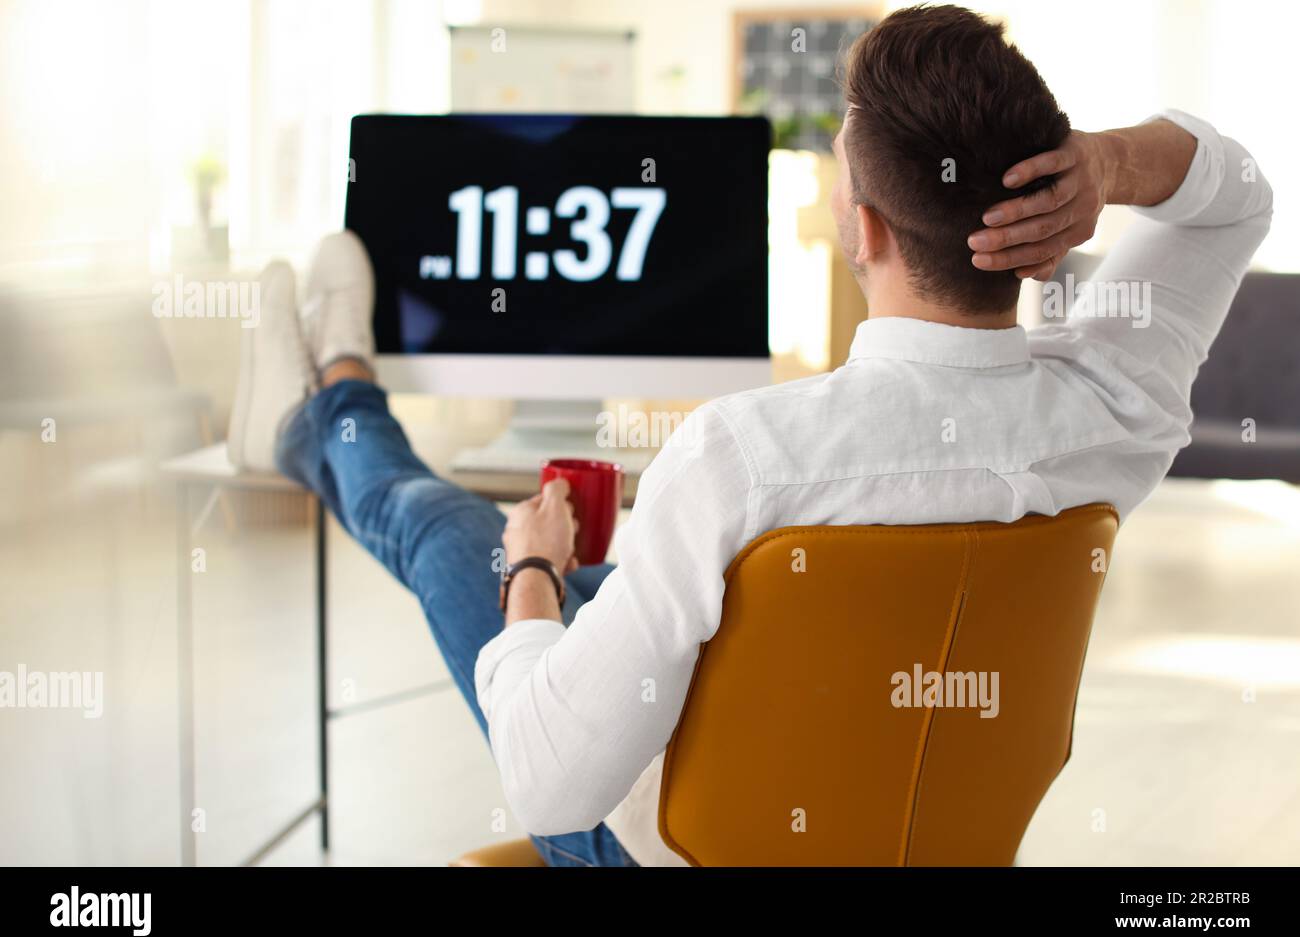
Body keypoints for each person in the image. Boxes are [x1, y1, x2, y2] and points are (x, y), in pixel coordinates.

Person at [226, 4, 1272, 866]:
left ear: (857, 226)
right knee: (630, 591)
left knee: (454, 533)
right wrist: (1107, 161)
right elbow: (1236, 197)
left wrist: (534, 571)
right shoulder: (1117, 404)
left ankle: (333, 405)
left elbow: (548, 784)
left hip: (674, 854)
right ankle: (328, 403)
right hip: (926, 837)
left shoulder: (742, 456)